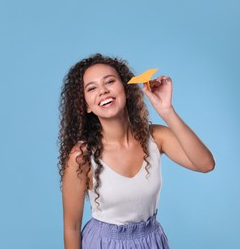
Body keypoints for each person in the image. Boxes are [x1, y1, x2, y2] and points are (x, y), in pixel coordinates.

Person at [58, 53, 215, 249]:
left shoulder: (156, 138)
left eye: (110, 81)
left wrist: (167, 111)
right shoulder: (82, 156)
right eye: (92, 88)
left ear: (125, 88)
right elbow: (71, 228)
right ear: (86, 106)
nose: (103, 91)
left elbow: (206, 164)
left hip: (151, 241)